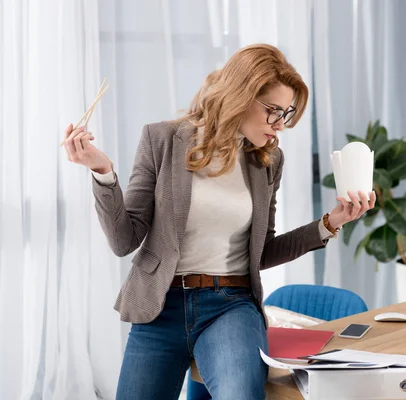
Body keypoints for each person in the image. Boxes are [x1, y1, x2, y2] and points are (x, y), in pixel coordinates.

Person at [62, 43, 376, 400]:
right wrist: (103, 172)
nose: (279, 126)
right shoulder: (161, 139)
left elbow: (263, 252)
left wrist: (329, 222)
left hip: (230, 306)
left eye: (285, 114)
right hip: (159, 307)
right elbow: (123, 240)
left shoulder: (268, 161)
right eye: (273, 111)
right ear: (240, 95)